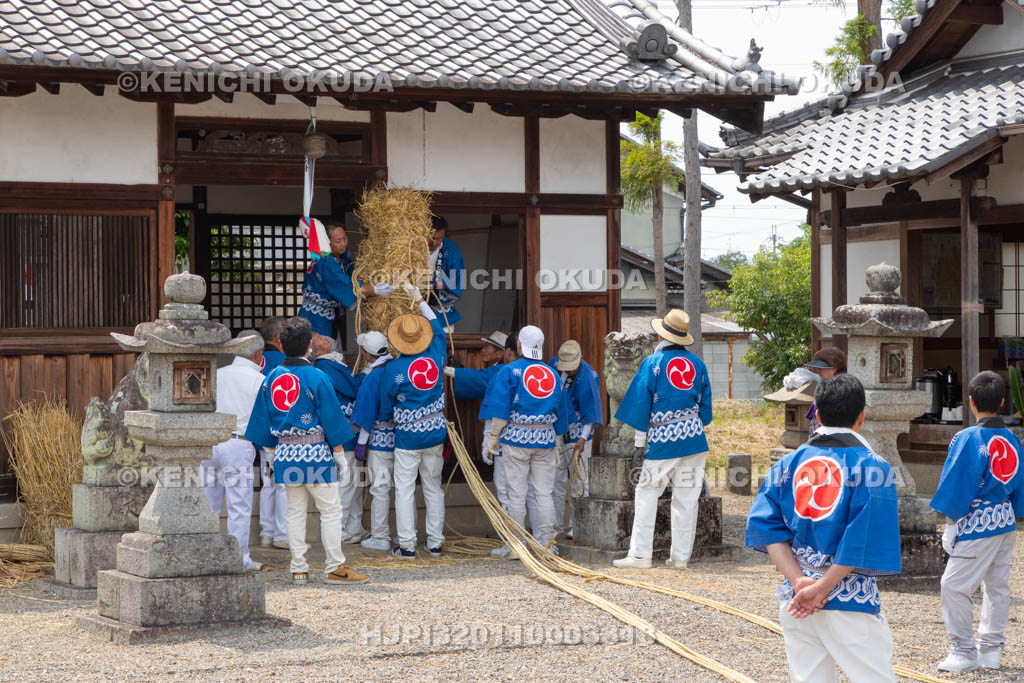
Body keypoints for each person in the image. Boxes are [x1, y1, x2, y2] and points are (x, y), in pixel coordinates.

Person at [746, 374, 901, 682]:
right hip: (848, 601)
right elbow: (861, 539)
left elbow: (767, 525)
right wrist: (822, 587)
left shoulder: (787, 464)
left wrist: (802, 583)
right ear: (861, 416)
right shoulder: (874, 467)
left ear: (816, 414)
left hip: (797, 598)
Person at [245, 316, 367, 585]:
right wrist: (338, 454)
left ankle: (298, 567)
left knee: (295, 512)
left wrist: (271, 453)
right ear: (309, 345)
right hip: (315, 453)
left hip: (285, 454)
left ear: (281, 342)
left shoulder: (271, 378)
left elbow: (262, 423)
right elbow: (332, 419)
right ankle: (335, 566)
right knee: (331, 511)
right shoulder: (318, 376)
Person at [930, 371, 1024, 672]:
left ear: (970, 402)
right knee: (996, 587)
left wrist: (951, 522)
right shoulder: (1013, 438)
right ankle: (991, 650)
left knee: (954, 586)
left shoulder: (967, 437)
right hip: (1005, 520)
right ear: (1002, 401)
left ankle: (963, 650)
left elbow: (958, 482)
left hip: (977, 522)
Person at [612, 309, 712, 569]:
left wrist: (638, 443)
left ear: (662, 335)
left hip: (664, 437)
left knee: (647, 491)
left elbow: (640, 405)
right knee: (687, 499)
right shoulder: (698, 364)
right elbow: (706, 410)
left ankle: (640, 555)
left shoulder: (653, 363)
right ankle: (680, 558)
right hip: (695, 438)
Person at [481, 325, 570, 558]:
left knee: (516, 495)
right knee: (543, 493)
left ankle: (516, 544)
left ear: (519, 345)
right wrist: (558, 441)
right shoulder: (553, 374)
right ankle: (547, 544)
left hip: (515, 439)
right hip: (546, 440)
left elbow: (500, 409)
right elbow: (562, 413)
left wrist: (492, 439)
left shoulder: (509, 372)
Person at [378, 283, 448, 559]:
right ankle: (435, 543)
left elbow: (385, 403)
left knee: (405, 489)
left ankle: (407, 545)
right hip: (435, 434)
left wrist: (386, 418)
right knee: (433, 486)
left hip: (407, 436)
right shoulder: (435, 357)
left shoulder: (394, 369)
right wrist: (419, 299)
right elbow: (438, 329)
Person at [201, 331, 264, 571]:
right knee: (239, 505)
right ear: (258, 353)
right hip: (238, 443)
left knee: (209, 502)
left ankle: (205, 555)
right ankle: (240, 558)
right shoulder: (259, 380)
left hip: (210, 441)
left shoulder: (217, 374)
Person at [312, 332, 366, 543]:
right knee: (347, 481)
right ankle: (341, 529)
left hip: (345, 429)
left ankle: (355, 526)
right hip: (342, 431)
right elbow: (352, 388)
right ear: (317, 351)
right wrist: (366, 375)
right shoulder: (325, 367)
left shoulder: (331, 363)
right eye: (322, 340)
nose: (328, 339)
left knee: (353, 481)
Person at [547, 339, 603, 539]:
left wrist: (582, 439)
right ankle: (554, 525)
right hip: (559, 427)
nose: (569, 371)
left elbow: (591, 412)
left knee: (579, 480)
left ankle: (577, 525)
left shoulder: (588, 377)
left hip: (580, 430)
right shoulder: (554, 365)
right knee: (556, 479)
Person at [299, 221, 394, 336]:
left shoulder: (342, 256)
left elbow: (352, 276)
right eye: (338, 241)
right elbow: (346, 284)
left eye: (345, 238)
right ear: (327, 243)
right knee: (320, 349)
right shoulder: (325, 261)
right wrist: (375, 290)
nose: (343, 243)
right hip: (315, 317)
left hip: (330, 314)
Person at [348, 331, 396, 552]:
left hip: (380, 441)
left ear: (367, 354)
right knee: (405, 490)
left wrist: (361, 442)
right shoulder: (397, 366)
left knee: (380, 489)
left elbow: (367, 411)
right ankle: (408, 537)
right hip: (405, 439)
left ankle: (380, 536)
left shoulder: (373, 376)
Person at [257, 317, 288, 549]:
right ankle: (282, 534)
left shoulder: (257, 359)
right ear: (278, 337)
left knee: (268, 483)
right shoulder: (285, 362)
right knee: (283, 484)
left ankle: (266, 533)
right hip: (283, 431)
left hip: (261, 430)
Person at [426, 216, 465, 333]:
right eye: (432, 238)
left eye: (440, 239)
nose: (435, 243)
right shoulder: (413, 246)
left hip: (441, 312)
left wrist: (433, 284)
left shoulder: (451, 249)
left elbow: (456, 279)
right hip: (415, 311)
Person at [803, 347, 847, 436]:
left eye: (822, 368)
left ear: (834, 368)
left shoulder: (844, 391)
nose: (818, 371)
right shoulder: (823, 387)